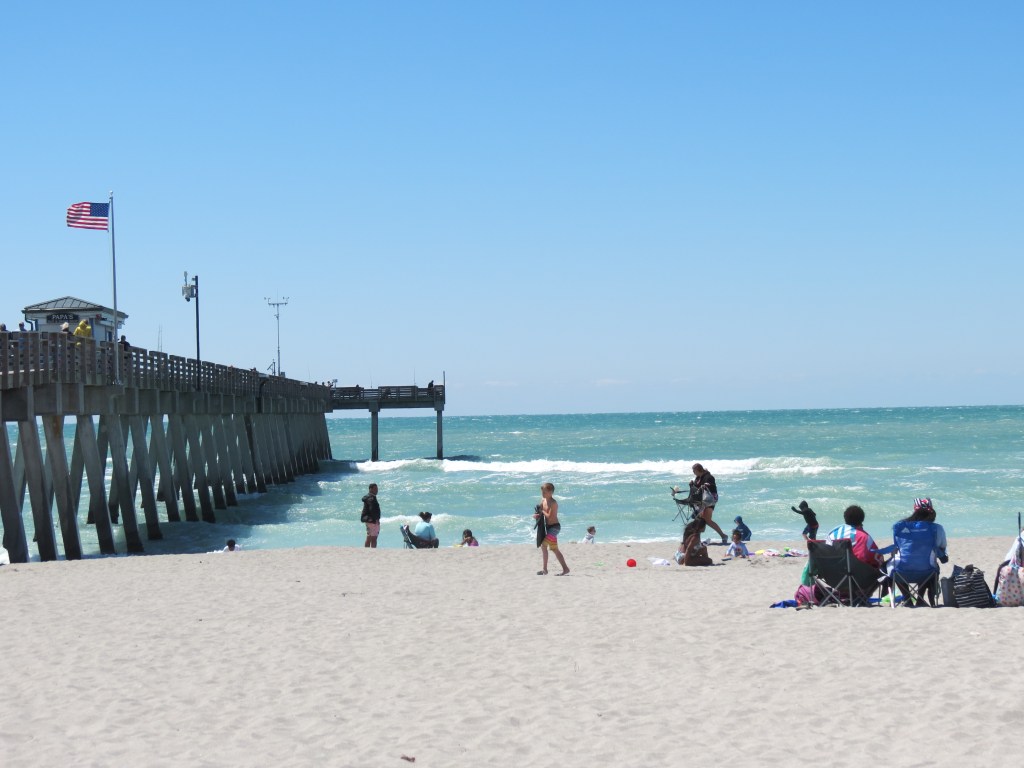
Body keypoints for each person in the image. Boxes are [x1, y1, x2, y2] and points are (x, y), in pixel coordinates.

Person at [826, 505, 888, 569]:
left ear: (845, 518)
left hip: (832, 571)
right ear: (862, 519)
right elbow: (877, 559)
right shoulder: (863, 537)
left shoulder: (832, 533)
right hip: (855, 572)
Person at [534, 482, 569, 575]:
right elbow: (540, 511)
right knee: (554, 549)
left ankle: (545, 569)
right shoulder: (543, 500)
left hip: (555, 527)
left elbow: (549, 516)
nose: (542, 493)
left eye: (544, 492)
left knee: (543, 545)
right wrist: (537, 515)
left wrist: (542, 511)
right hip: (548, 528)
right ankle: (565, 569)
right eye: (542, 492)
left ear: (550, 492)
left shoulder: (553, 503)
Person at [690, 463, 726, 544]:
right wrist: (691, 485)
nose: (693, 472)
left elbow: (712, 487)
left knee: (706, 520)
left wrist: (707, 485)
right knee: (702, 520)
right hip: (701, 501)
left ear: (698, 469)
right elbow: (696, 489)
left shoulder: (709, 477)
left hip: (709, 500)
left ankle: (723, 535)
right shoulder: (698, 478)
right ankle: (697, 539)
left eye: (694, 470)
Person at [360, 483, 381, 548]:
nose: (377, 490)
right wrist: (376, 519)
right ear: (370, 489)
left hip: (368, 519)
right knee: (374, 538)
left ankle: (367, 551)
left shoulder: (368, 497)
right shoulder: (371, 498)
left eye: (377, 489)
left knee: (369, 537)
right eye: (375, 489)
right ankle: (373, 551)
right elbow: (372, 509)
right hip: (372, 520)